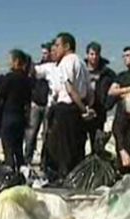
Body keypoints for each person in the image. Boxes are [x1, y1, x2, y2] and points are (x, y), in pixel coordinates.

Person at [44, 32, 92, 180]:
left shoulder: (67, 62)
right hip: (78, 110)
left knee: (62, 149)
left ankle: (64, 179)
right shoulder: (82, 63)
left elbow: (70, 89)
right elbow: (90, 91)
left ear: (66, 46)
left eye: (58, 45)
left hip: (66, 110)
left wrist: (84, 109)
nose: (55, 49)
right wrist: (87, 108)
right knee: (77, 148)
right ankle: (77, 178)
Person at [0, 50, 33, 170]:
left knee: (8, 149)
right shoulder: (27, 79)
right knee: (18, 149)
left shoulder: (9, 78)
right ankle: (21, 171)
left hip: (8, 115)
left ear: (16, 61)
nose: (8, 63)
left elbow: (1, 93)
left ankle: (10, 172)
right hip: (20, 116)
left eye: (10, 60)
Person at [85, 41, 117, 152]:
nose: (94, 57)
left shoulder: (108, 73)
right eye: (91, 54)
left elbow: (115, 89)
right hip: (83, 110)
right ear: (87, 55)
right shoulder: (81, 69)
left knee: (97, 142)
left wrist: (107, 105)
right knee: (79, 141)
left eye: (96, 54)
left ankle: (96, 165)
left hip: (99, 111)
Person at [24, 42, 52, 165]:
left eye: (46, 53)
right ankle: (27, 160)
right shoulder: (37, 68)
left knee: (47, 134)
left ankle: (44, 161)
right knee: (31, 133)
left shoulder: (55, 68)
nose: (44, 55)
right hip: (36, 104)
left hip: (48, 105)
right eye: (43, 53)